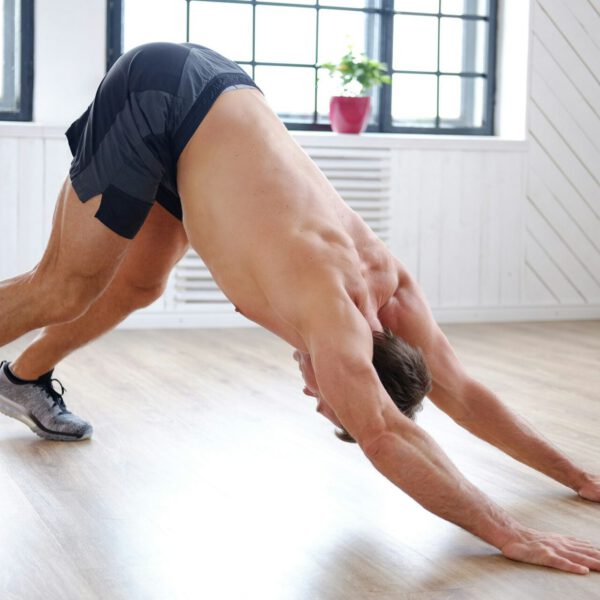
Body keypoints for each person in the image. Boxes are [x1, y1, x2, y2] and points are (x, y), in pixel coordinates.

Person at [0, 42, 599, 574]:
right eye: (332, 403)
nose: (314, 400)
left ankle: (21, 379)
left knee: (137, 285)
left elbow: (464, 393)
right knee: (64, 286)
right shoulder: (333, 321)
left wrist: (576, 476)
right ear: (357, 373)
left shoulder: (390, 294)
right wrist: (509, 533)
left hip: (210, 103)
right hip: (162, 97)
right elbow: (386, 436)